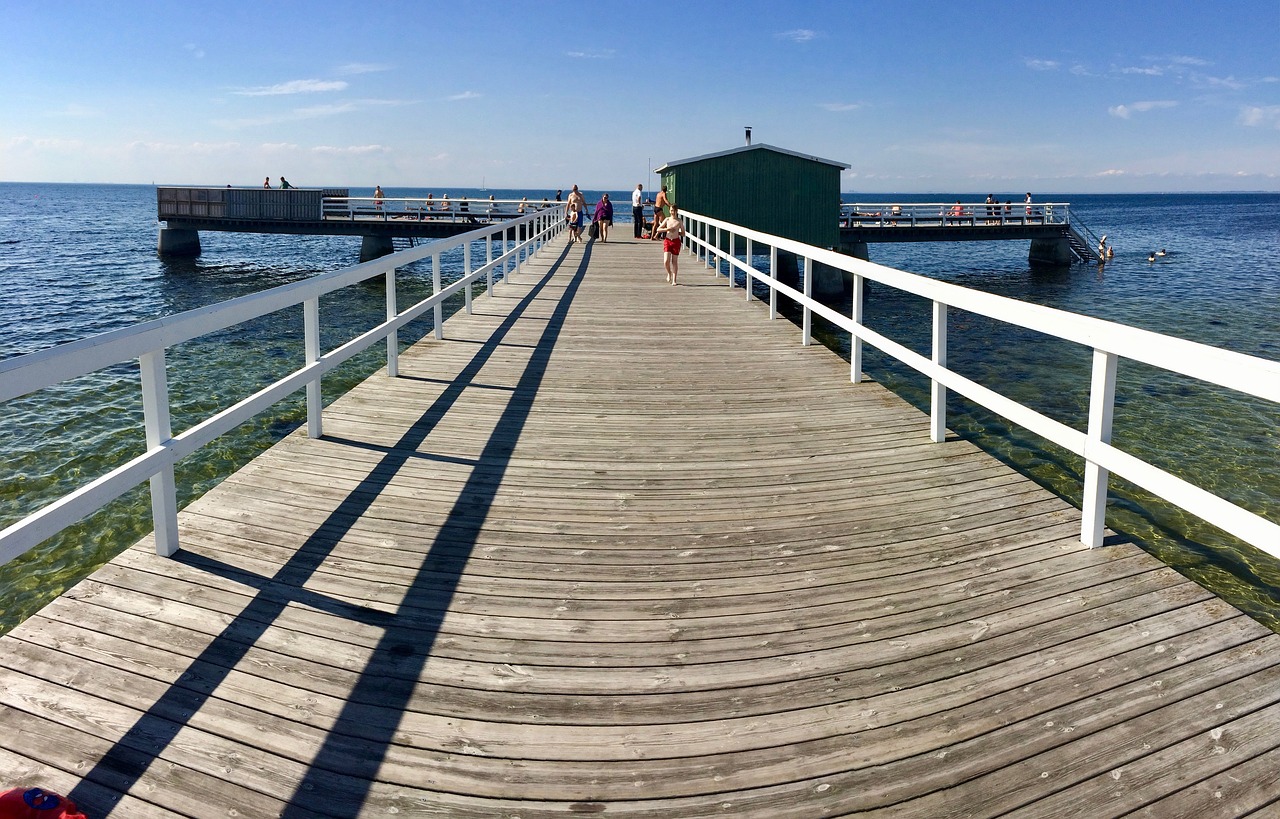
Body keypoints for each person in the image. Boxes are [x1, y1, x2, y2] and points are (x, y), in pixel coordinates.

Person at [655, 204, 685, 284]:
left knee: (674, 261)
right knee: (666, 261)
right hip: (668, 241)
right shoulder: (667, 220)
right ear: (669, 211)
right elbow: (658, 229)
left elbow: (683, 233)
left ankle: (674, 280)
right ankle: (669, 273)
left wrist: (677, 231)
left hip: (676, 241)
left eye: (674, 211)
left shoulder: (679, 221)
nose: (673, 212)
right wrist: (667, 229)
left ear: (676, 211)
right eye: (671, 210)